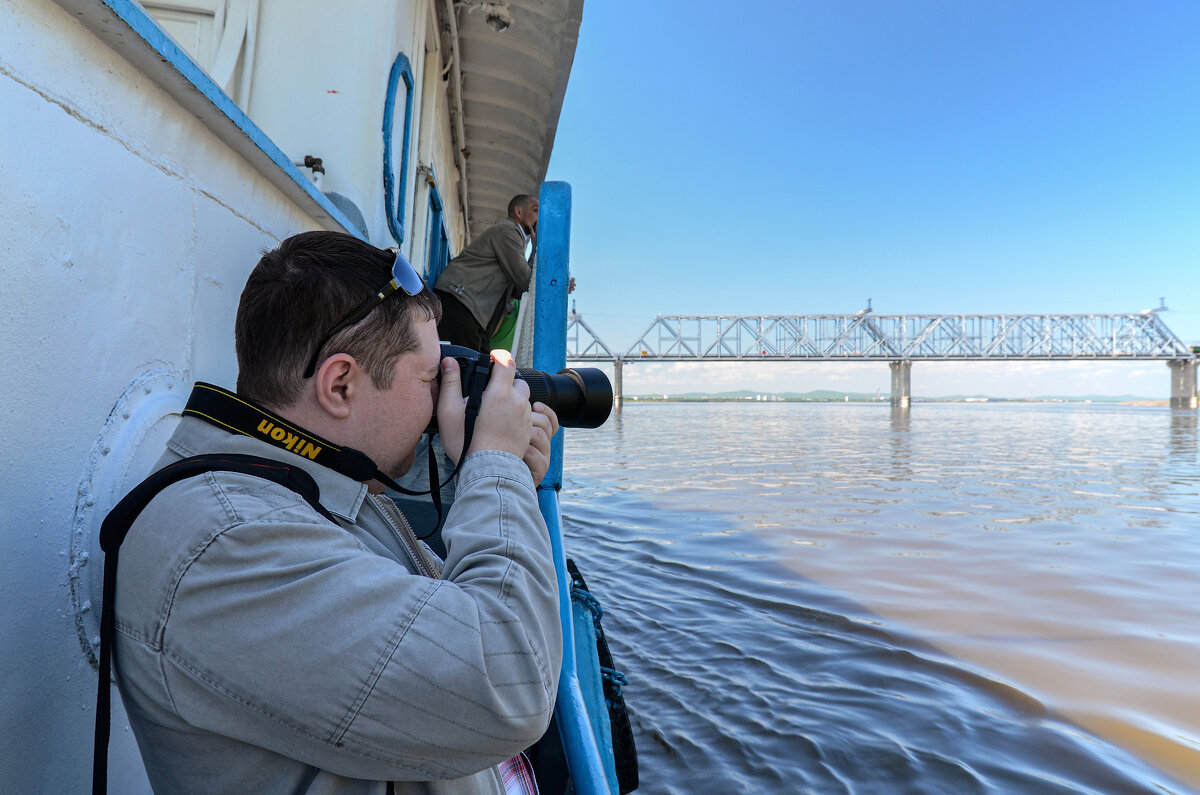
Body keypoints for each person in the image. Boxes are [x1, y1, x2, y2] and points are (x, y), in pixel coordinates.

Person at [109, 231, 563, 793]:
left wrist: (505, 482)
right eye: (429, 378)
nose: (441, 402)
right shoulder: (225, 543)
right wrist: (495, 468)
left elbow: (450, 615)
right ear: (341, 384)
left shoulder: (311, 490)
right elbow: (510, 684)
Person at [434, 194, 538, 351]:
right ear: (518, 212)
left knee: (476, 367)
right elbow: (525, 282)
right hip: (460, 303)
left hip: (468, 309)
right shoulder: (508, 230)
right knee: (466, 367)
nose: (540, 217)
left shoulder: (514, 237)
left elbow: (518, 290)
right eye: (536, 210)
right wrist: (537, 248)